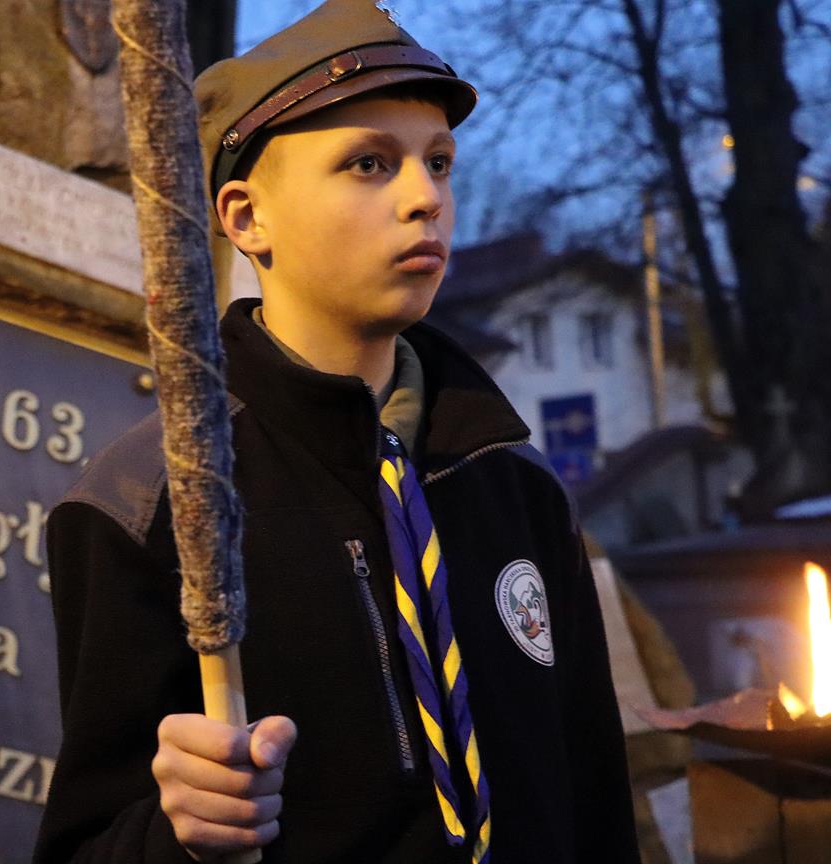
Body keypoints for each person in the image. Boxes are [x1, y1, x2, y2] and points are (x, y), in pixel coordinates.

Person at [32, 1, 640, 861]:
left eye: (439, 162)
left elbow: (595, 801)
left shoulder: (515, 484)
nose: (426, 198)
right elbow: (87, 846)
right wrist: (179, 836)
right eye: (368, 164)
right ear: (247, 217)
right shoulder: (147, 503)